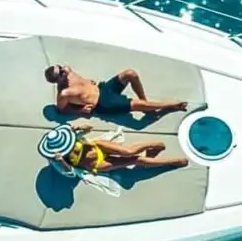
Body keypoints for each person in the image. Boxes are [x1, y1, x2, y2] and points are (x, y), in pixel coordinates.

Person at [38, 122, 188, 176]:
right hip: (96, 164)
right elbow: (69, 173)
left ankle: (151, 147)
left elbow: (90, 128)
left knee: (129, 151)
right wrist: (62, 162)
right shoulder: (57, 159)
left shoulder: (69, 136)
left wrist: (81, 128)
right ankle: (172, 162)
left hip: (97, 147)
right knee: (136, 160)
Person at [44, 64, 188, 117]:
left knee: (130, 73)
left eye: (60, 68)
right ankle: (171, 105)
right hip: (102, 103)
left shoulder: (68, 70)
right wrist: (81, 111)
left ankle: (146, 103)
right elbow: (62, 110)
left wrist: (88, 82)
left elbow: (81, 82)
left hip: (102, 88)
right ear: (57, 81)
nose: (64, 70)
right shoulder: (64, 93)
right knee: (136, 105)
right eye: (61, 73)